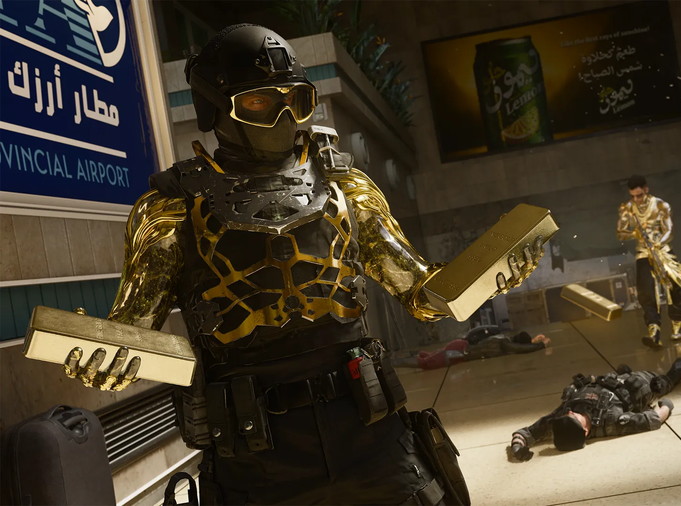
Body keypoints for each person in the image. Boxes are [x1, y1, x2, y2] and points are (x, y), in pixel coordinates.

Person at [55, 24, 547, 505]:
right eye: (260, 102)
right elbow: (133, 332)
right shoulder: (172, 209)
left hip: (371, 436)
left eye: (296, 99)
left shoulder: (345, 188)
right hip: (256, 457)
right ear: (214, 107)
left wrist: (488, 274)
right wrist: (102, 360)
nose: (285, 116)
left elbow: (422, 294)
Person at [508, 358, 681, 461]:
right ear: (585, 431)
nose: (570, 412)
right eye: (574, 417)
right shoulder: (609, 422)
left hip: (608, 381)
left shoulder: (561, 419)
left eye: (568, 413)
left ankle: (622, 373)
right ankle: (670, 379)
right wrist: (666, 407)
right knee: (650, 383)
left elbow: (526, 433)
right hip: (635, 387)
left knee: (620, 375)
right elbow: (650, 420)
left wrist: (517, 447)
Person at [616, 174, 681, 348]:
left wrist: (657, 244)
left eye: (640, 195)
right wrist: (634, 233)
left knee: (677, 288)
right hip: (643, 254)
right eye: (633, 196)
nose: (637, 199)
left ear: (646, 189)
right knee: (646, 293)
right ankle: (654, 331)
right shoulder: (627, 209)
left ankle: (677, 325)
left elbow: (669, 230)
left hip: (663, 252)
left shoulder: (660, 205)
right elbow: (620, 233)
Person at [394, 325, 550, 369]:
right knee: (426, 363)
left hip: (460, 347)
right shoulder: (504, 343)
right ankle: (393, 363)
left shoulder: (503, 338)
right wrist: (540, 345)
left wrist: (536, 341)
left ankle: (396, 358)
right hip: (458, 352)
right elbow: (520, 349)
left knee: (428, 356)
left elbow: (521, 345)